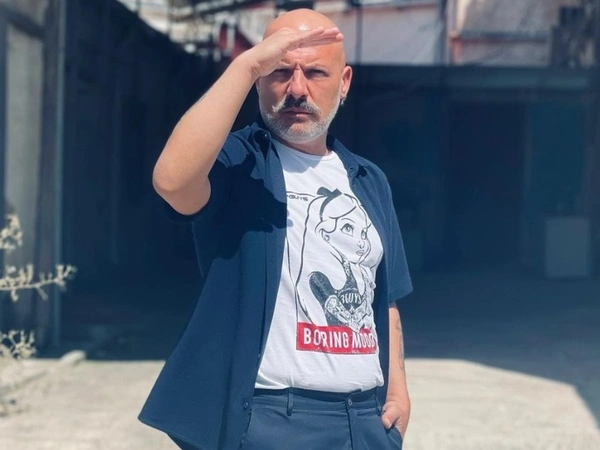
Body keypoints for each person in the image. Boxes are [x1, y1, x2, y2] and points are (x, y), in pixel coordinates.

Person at [139, 8, 413, 450]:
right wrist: (247, 64)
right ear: (260, 81)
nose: (297, 89)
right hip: (273, 419)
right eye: (280, 72)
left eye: (316, 73)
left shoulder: (368, 179)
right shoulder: (239, 163)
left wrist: (397, 391)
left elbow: (386, 294)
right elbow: (172, 182)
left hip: (365, 419)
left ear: (344, 82)